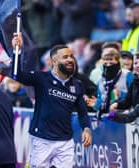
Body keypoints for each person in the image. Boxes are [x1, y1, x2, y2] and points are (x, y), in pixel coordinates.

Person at [12, 34, 92, 168]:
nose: (70, 60)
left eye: (71, 56)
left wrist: (87, 129)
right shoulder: (41, 78)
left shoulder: (77, 85)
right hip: (41, 140)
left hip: (65, 141)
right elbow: (17, 75)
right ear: (54, 61)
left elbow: (82, 112)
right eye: (65, 57)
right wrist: (17, 51)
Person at [87, 42, 133, 119]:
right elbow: (101, 101)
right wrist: (95, 105)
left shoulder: (127, 75)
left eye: (111, 60)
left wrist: (120, 95)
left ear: (117, 60)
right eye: (106, 61)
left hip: (125, 120)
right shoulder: (101, 80)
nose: (108, 64)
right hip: (107, 120)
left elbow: (134, 97)